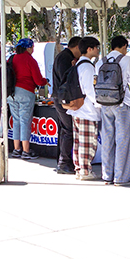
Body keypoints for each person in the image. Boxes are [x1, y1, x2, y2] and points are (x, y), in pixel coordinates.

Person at [94, 35, 130, 185]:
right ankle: (120, 177)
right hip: (122, 104)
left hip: (104, 103)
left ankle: (107, 175)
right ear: (124, 46)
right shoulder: (127, 60)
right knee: (123, 140)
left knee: (107, 139)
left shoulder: (101, 61)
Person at [65, 37, 101, 181]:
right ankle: (85, 170)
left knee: (79, 141)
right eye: (96, 47)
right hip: (87, 110)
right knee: (88, 142)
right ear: (89, 49)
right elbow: (89, 89)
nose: (98, 50)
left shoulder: (79, 64)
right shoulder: (87, 66)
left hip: (78, 109)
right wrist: (98, 103)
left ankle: (80, 169)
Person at [8, 38, 48, 160]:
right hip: (25, 92)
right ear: (29, 48)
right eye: (32, 47)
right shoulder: (30, 60)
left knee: (16, 121)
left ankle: (16, 149)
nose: (33, 50)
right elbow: (38, 80)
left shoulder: (11, 58)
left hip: (11, 93)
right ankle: (26, 151)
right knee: (25, 121)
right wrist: (46, 81)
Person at [52, 36, 82, 175]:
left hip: (61, 98)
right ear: (76, 47)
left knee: (66, 130)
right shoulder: (65, 58)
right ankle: (64, 162)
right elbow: (67, 79)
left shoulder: (63, 56)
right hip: (63, 99)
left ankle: (64, 160)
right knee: (68, 130)